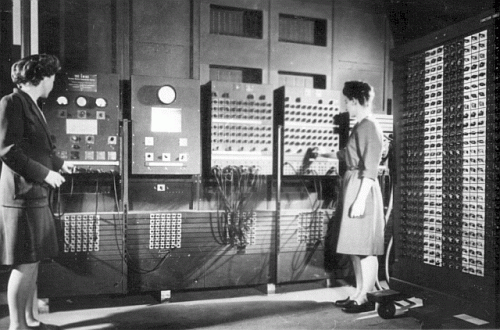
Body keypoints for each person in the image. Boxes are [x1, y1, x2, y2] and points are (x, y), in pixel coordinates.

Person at [0, 54, 73, 330]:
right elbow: (8, 151)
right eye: (52, 77)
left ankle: (30, 319)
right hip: (21, 197)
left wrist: (61, 164)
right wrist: (46, 174)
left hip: (34, 195)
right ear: (41, 78)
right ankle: (16, 326)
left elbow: (38, 149)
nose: (54, 82)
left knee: (34, 261)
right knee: (25, 263)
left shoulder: (31, 105)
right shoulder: (12, 103)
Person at [316, 81, 384, 313]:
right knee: (354, 245)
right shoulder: (360, 126)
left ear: (355, 101)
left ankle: (365, 297)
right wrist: (324, 153)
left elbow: (371, 169)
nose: (345, 105)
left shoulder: (369, 127)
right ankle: (358, 293)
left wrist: (360, 199)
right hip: (353, 184)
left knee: (364, 247)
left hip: (362, 187)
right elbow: (348, 153)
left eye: (347, 101)